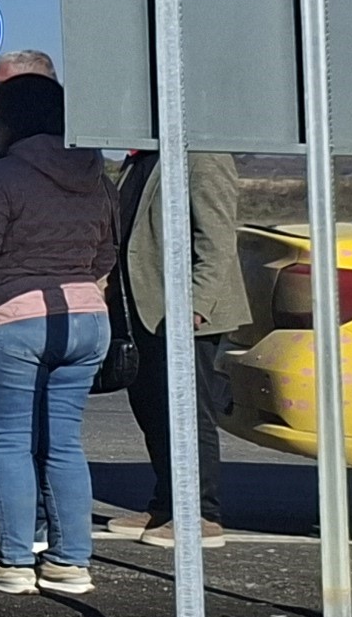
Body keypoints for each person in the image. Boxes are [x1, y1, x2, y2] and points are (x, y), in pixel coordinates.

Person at [0, 76, 120, 595]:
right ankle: (71, 561)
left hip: (10, 318)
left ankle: (13, 561)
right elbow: (106, 255)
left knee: (7, 444)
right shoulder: (98, 176)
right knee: (64, 444)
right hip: (87, 316)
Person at [105, 145, 247, 551]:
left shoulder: (203, 154)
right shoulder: (140, 158)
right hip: (146, 308)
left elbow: (217, 238)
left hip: (185, 311)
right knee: (153, 409)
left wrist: (196, 305)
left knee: (188, 412)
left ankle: (201, 514)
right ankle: (166, 504)